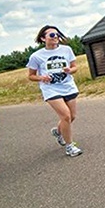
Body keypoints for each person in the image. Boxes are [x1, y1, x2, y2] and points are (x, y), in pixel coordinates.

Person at [26, 25, 83, 157]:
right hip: (50, 89)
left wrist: (70, 70)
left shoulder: (66, 50)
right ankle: (70, 146)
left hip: (68, 85)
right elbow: (31, 76)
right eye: (52, 35)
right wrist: (42, 77)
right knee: (66, 116)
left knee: (72, 116)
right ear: (43, 38)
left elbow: (75, 67)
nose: (56, 37)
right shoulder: (36, 56)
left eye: (57, 34)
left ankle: (58, 132)